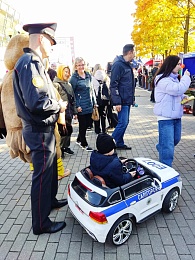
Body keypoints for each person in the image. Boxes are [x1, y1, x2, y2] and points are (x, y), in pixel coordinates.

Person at [12, 22, 68, 235]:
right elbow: (37, 103)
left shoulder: (35, 62)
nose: (52, 47)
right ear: (42, 39)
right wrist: (59, 105)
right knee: (42, 177)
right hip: (38, 131)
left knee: (50, 170)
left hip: (43, 129)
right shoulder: (29, 63)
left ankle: (50, 201)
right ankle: (41, 224)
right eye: (51, 42)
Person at [153, 55, 191, 167]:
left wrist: (183, 96)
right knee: (168, 145)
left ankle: (161, 146)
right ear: (171, 65)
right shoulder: (162, 79)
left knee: (175, 139)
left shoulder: (173, 78)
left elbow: (176, 92)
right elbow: (177, 89)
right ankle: (165, 167)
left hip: (175, 115)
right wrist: (186, 78)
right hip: (165, 117)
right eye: (178, 64)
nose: (180, 66)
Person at [110, 44, 135, 149]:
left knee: (124, 122)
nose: (135, 54)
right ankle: (109, 144)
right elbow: (113, 84)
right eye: (134, 52)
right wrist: (117, 102)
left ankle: (119, 143)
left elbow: (129, 84)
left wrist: (132, 99)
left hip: (126, 99)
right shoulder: (118, 65)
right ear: (129, 52)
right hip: (122, 100)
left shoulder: (127, 64)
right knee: (122, 123)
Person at [70, 57, 96, 151]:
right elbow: (72, 93)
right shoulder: (74, 78)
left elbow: (91, 90)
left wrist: (94, 102)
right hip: (80, 106)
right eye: (79, 65)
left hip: (89, 104)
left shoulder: (88, 75)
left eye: (82, 64)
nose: (81, 67)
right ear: (76, 66)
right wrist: (76, 106)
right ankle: (83, 143)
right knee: (82, 125)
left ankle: (78, 139)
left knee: (88, 123)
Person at [53, 64, 77, 156]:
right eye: (65, 72)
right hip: (61, 113)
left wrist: (74, 111)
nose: (68, 74)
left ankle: (66, 146)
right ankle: (60, 148)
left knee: (69, 130)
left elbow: (73, 99)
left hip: (69, 111)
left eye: (68, 72)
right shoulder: (56, 84)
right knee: (62, 131)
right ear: (60, 72)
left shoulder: (69, 84)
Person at [92, 64, 110, 134]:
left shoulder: (93, 78)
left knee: (96, 114)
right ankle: (104, 129)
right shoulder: (106, 77)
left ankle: (97, 130)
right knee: (103, 114)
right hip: (105, 99)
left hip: (96, 99)